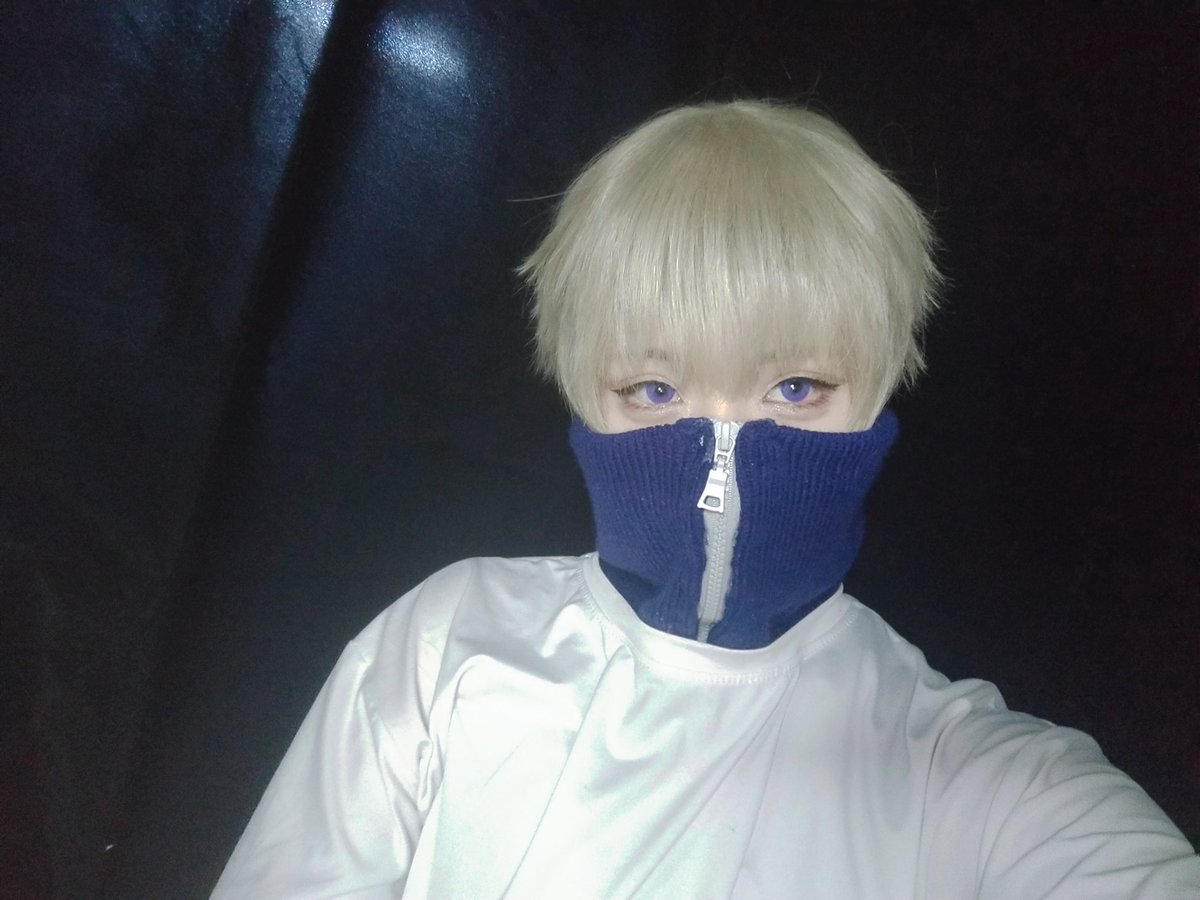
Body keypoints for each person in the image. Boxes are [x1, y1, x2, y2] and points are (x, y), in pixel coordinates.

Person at [212, 100, 1199, 898]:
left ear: (877, 392)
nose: (724, 438)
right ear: (584, 393)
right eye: (655, 389)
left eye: (796, 387)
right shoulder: (448, 647)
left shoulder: (967, 771)